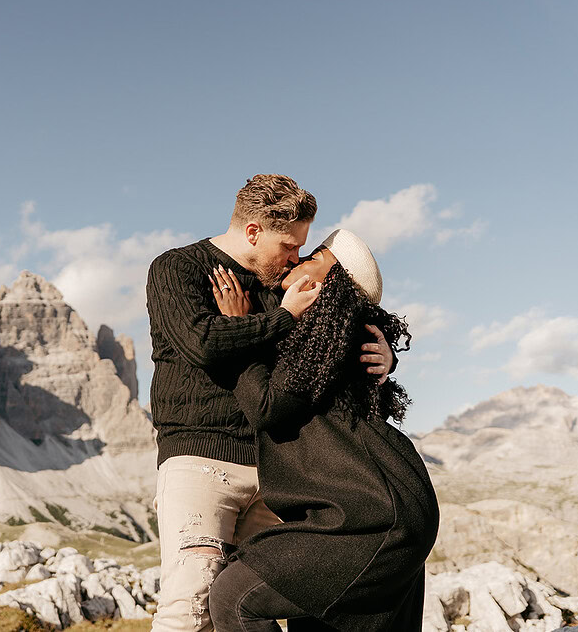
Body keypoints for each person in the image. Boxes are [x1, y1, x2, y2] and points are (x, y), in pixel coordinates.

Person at [146, 176, 396, 631]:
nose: (296, 256)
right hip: (200, 462)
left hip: (276, 474)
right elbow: (203, 343)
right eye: (289, 244)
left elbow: (321, 355)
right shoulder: (177, 268)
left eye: (303, 247)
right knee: (192, 602)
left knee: (263, 603)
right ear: (254, 231)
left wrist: (383, 356)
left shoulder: (283, 284)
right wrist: (282, 318)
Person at [208, 229, 440, 632]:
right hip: (375, 506)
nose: (298, 260)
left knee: (234, 597)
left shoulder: (329, 331)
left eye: (314, 257)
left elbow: (269, 408)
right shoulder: (318, 332)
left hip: (373, 514)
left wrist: (238, 329)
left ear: (330, 283)